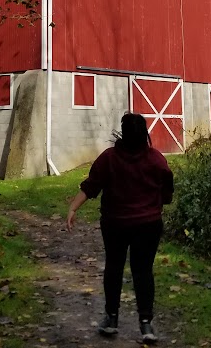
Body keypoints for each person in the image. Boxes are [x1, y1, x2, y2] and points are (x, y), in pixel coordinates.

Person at [66, 112, 174, 344]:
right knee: (143, 271)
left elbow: (91, 186)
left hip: (115, 224)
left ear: (123, 134)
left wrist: (73, 208)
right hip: (148, 224)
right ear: (144, 134)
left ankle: (111, 319)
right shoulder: (156, 160)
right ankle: (146, 324)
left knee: (114, 268)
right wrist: (159, 203)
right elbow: (167, 189)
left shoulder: (109, 158)